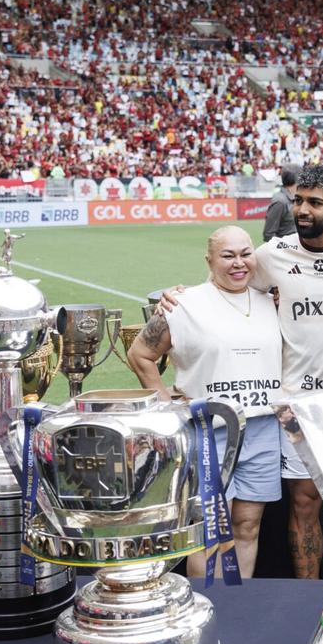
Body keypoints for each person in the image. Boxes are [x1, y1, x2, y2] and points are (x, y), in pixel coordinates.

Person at [160, 164, 323, 579]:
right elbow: (225, 286)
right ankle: (308, 594)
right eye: (298, 200)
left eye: (314, 203)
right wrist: (175, 299)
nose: (301, 209)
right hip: (295, 406)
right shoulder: (271, 255)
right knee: (304, 505)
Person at [127, 225, 282, 579]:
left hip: (261, 428)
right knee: (209, 529)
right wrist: (170, 409)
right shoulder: (183, 304)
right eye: (228, 256)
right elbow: (140, 355)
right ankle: (208, 606)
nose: (239, 263)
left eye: (245, 253)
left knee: (247, 525)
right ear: (209, 260)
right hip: (209, 431)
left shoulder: (271, 300)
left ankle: (239, 605)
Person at [262, 166, 299, 241]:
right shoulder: (280, 201)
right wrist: (285, 249)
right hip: (286, 250)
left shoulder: (297, 198)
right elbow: (268, 234)